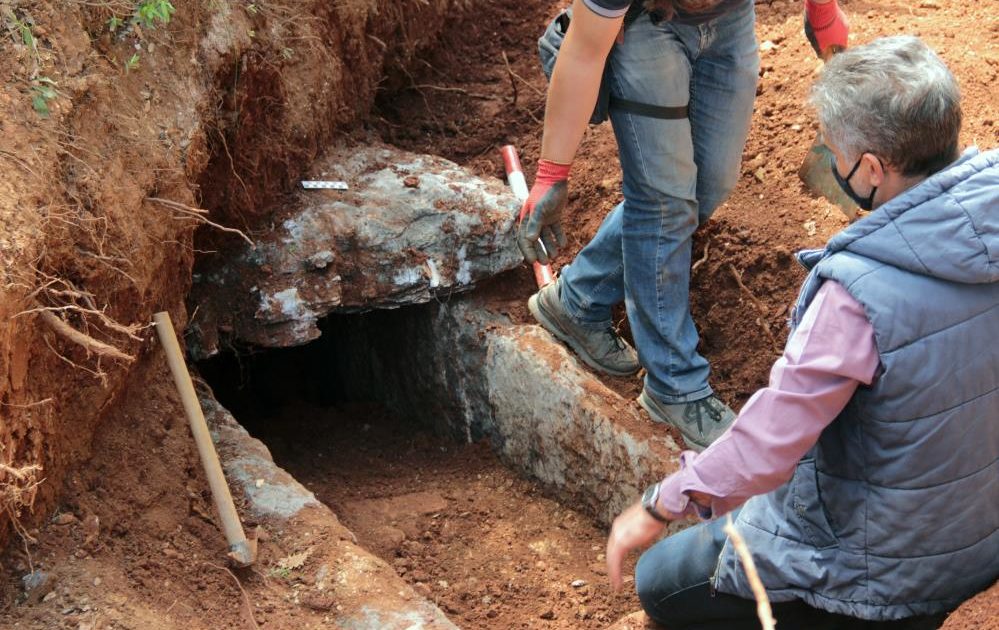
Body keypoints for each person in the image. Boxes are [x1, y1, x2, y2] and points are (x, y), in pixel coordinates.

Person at [603, 35, 999, 629]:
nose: (828, 160)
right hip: (977, 537)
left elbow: (771, 442)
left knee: (660, 582)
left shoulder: (860, 296)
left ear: (870, 169)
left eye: (834, 150)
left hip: (882, 570)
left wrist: (662, 503)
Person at [519, 0, 849, 452]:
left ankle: (577, 301)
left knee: (708, 185)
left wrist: (823, 16)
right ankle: (674, 386)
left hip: (731, 20)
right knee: (664, 201)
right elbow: (583, 52)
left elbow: (823, 15)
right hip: (643, 28)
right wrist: (551, 176)